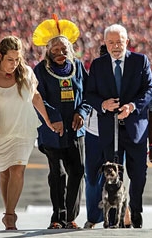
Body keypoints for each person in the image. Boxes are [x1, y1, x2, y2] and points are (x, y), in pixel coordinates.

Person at [85, 23, 152, 229]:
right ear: (105, 43)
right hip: (110, 129)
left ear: (127, 42)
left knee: (138, 174)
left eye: (119, 42)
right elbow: (90, 94)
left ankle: (136, 211)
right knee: (113, 176)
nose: (116, 46)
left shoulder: (140, 61)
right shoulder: (98, 65)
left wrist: (133, 106)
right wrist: (103, 105)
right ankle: (115, 217)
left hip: (135, 129)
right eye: (111, 42)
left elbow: (149, 89)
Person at [0, 36, 56, 230]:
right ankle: (7, 209)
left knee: (17, 170)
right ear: (0, 56)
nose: (14, 64)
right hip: (0, 131)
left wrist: (47, 120)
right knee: (4, 174)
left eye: (17, 59)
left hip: (23, 129)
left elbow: (35, 97)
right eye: (10, 59)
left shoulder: (26, 72)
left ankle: (9, 216)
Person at [32, 16, 90, 230]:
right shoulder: (40, 70)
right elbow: (38, 97)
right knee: (57, 174)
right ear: (48, 51)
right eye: (55, 50)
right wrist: (54, 118)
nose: (60, 54)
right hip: (52, 131)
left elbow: (88, 94)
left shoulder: (78, 67)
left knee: (77, 171)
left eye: (64, 50)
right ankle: (58, 216)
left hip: (75, 130)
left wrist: (81, 112)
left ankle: (70, 216)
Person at [83, 44, 108, 229]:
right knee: (91, 177)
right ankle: (93, 217)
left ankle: (113, 217)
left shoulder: (124, 77)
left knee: (114, 178)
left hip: (115, 132)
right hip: (92, 131)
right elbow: (85, 97)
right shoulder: (91, 74)